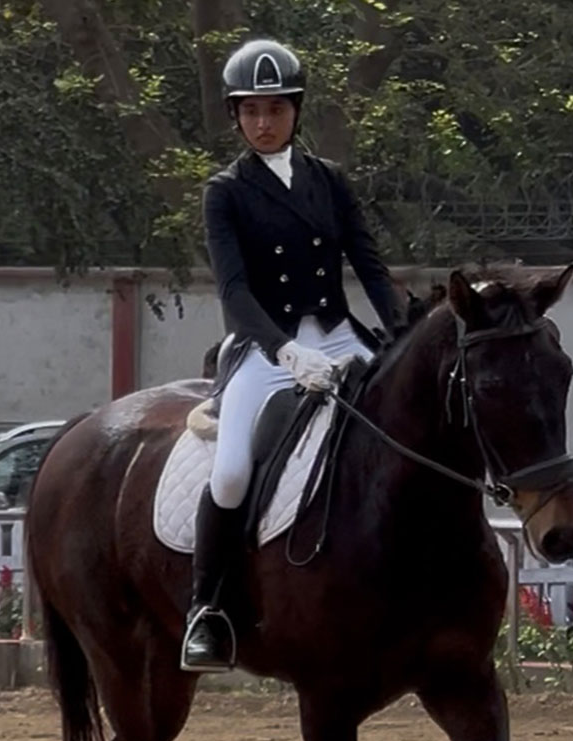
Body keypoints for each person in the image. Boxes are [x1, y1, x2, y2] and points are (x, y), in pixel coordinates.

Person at [180, 36, 402, 673]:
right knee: (228, 474)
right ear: (236, 116)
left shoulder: (328, 181)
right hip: (263, 343)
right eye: (250, 110)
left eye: (274, 109)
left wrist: (400, 330)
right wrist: (284, 353)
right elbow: (233, 291)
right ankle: (207, 610)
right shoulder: (224, 192)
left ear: (295, 111)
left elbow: (369, 264)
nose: (262, 122)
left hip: (336, 329)